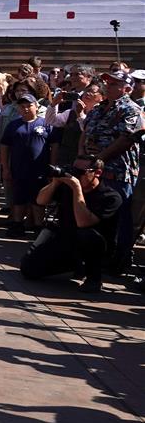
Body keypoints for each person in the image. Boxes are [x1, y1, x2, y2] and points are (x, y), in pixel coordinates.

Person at [21, 155, 122, 293]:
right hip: (67, 241)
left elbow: (83, 223)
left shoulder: (110, 196)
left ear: (97, 173)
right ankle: (75, 266)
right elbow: (40, 201)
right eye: (73, 170)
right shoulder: (67, 188)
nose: (75, 175)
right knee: (28, 269)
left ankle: (94, 278)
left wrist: (77, 189)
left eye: (80, 172)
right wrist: (55, 182)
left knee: (86, 235)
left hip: (96, 248)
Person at [81, 69, 144, 274]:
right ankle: (95, 256)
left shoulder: (131, 109)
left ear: (127, 88)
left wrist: (101, 157)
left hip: (117, 171)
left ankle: (120, 259)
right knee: (95, 214)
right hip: (92, 170)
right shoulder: (98, 109)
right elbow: (86, 132)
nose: (109, 87)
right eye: (108, 83)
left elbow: (126, 139)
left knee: (121, 217)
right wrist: (82, 155)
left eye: (115, 84)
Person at [0, 94, 61, 237]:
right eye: (22, 106)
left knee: (38, 200)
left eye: (29, 106)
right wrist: (6, 168)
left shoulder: (46, 124)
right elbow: (4, 146)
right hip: (19, 168)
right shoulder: (13, 125)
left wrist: (52, 167)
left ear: (36, 106)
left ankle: (38, 226)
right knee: (19, 198)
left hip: (39, 170)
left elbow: (54, 146)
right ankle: (17, 224)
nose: (26, 109)